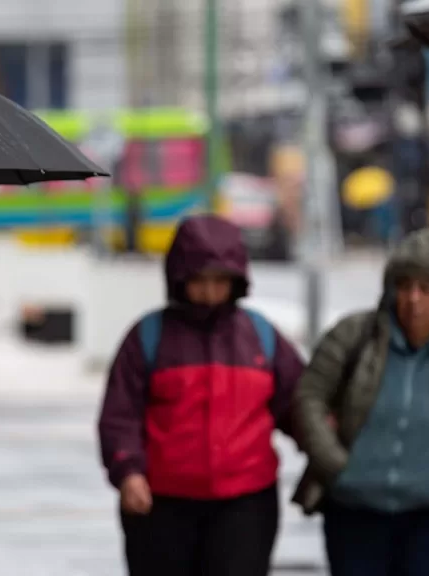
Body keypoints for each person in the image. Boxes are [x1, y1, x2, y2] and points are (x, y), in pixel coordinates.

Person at [292, 228, 429, 576]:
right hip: (355, 512)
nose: (413, 299)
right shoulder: (353, 337)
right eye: (404, 286)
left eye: (426, 289)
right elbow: (309, 395)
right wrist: (334, 463)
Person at [98, 214, 305, 576]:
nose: (209, 292)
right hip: (161, 506)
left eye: (219, 281)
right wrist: (128, 471)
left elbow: (300, 406)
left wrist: (329, 453)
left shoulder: (262, 337)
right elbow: (120, 415)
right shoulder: (147, 338)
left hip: (245, 505)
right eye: (200, 281)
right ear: (179, 278)